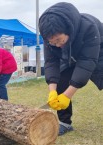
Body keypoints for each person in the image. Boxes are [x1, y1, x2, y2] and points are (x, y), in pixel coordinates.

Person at [39, 2, 103, 136]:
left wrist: (67, 96)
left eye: (58, 40)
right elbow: (51, 62)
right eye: (52, 42)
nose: (56, 45)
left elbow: (86, 63)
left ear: (68, 30)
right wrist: (53, 92)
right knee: (61, 80)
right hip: (69, 53)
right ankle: (64, 123)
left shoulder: (89, 28)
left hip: (96, 51)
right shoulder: (49, 36)